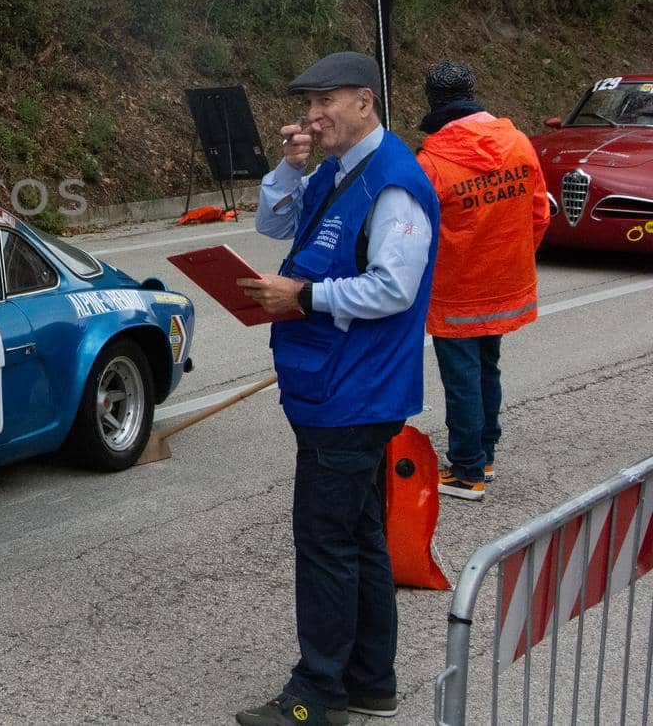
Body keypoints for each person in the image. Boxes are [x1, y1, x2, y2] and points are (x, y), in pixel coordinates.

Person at [234, 51, 440, 726]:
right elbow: (273, 224)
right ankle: (371, 679)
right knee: (358, 535)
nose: (313, 117)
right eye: (307, 105)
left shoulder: (394, 183)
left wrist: (304, 293)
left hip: (354, 393)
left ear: (364, 100)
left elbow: (393, 285)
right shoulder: (333, 171)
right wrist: (289, 169)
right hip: (329, 387)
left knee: (325, 540)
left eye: (325, 103)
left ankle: (317, 693)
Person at [417, 60, 549, 501]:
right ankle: (486, 453)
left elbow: (417, 233)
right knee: (487, 369)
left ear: (433, 101)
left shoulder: (432, 161)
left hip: (456, 291)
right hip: (503, 285)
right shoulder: (518, 144)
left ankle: (467, 470)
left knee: (462, 378)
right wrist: (511, 259)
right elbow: (538, 213)